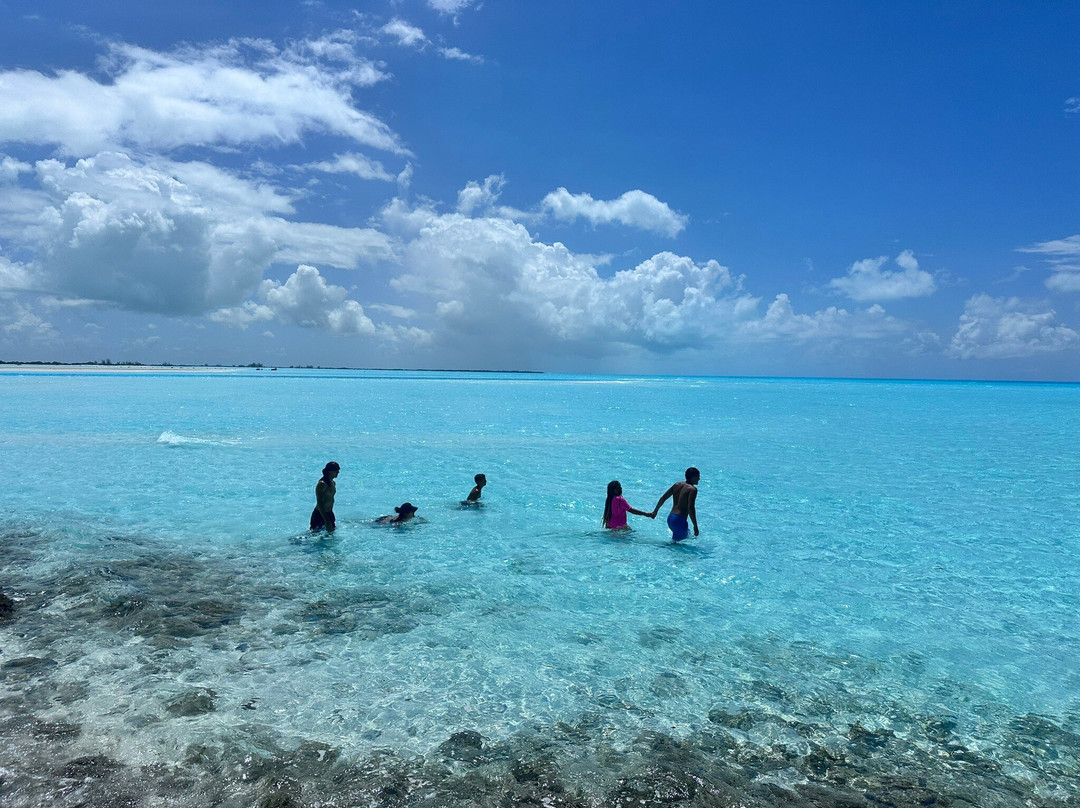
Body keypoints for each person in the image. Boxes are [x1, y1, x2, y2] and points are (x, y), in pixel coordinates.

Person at [652, 467, 700, 542]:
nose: (699, 479)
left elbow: (663, 498)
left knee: (681, 539)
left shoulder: (677, 485)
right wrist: (695, 526)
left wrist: (655, 511)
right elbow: (691, 508)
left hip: (670, 518)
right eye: (698, 476)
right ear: (694, 477)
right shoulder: (692, 489)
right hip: (679, 520)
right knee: (677, 546)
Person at [310, 462, 340, 532]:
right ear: (330, 471)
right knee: (315, 535)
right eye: (336, 470)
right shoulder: (322, 484)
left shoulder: (333, 483)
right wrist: (326, 521)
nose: (338, 472)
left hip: (329, 513)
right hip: (320, 515)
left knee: (330, 535)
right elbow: (319, 503)